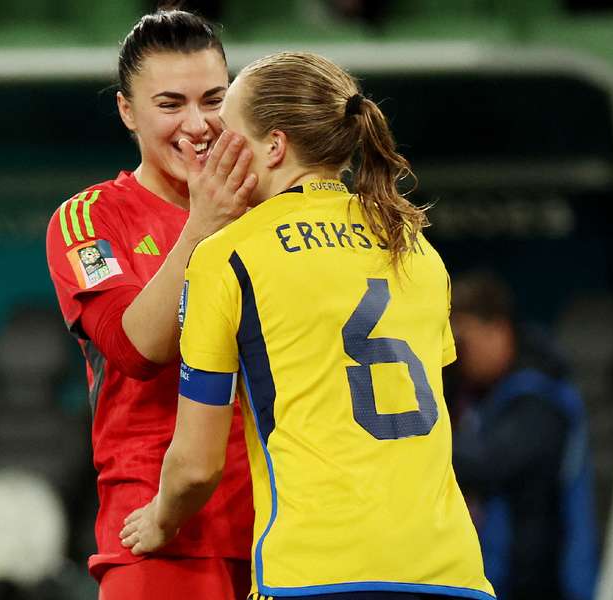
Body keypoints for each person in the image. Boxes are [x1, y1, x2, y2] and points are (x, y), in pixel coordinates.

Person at [120, 51, 495, 600]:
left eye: (228, 135)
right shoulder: (416, 249)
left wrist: (161, 519)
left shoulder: (230, 257)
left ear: (273, 147)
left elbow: (196, 467)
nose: (213, 150)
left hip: (314, 575)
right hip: (451, 574)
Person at [44, 9, 256, 600]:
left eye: (214, 98)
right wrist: (202, 225)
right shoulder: (90, 219)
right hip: (157, 536)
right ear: (127, 111)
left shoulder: (270, 208)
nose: (198, 124)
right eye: (170, 105)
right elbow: (134, 347)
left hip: (282, 529)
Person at [447, 272, 598, 600]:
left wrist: (418, 443)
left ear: (498, 331)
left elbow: (489, 463)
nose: (457, 355)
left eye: (463, 342)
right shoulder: (485, 396)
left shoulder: (538, 398)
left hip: (541, 584)